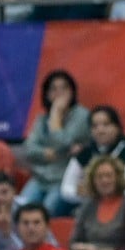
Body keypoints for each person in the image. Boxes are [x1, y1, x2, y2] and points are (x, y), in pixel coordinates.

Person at [20, 68, 90, 216]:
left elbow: (63, 142)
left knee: (46, 213)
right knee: (21, 211)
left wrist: (56, 115)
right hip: (40, 178)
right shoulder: (42, 119)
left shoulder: (81, 116)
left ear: (72, 91)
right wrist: (47, 153)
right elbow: (29, 149)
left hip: (64, 180)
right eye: (54, 89)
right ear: (46, 94)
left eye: (64, 87)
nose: (59, 93)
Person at [60, 105, 125, 207]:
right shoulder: (84, 154)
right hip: (88, 206)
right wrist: (79, 193)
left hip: (120, 209)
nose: (100, 130)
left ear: (117, 127)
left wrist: (108, 196)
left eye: (106, 124)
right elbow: (66, 188)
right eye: (95, 126)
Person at [69, 156, 125, 250]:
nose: (104, 180)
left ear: (117, 177)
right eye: (99, 177)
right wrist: (82, 248)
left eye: (108, 175)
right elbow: (73, 241)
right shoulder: (87, 206)